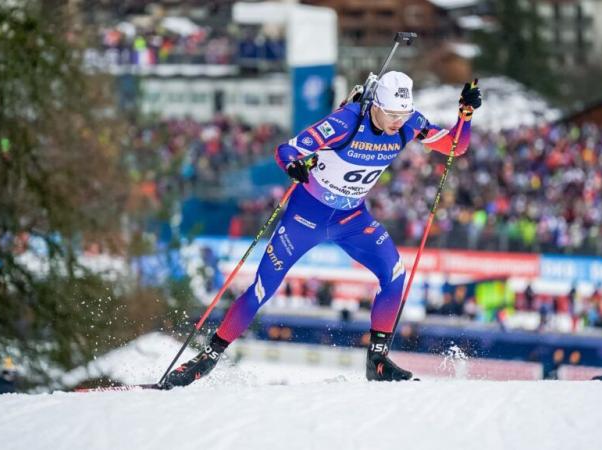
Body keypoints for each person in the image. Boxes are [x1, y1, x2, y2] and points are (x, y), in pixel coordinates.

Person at [165, 72, 481, 386]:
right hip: (306, 219)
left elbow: (456, 146)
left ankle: (378, 361)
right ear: (375, 106)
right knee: (262, 289)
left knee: (395, 273)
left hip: (351, 220)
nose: (399, 122)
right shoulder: (345, 122)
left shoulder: (410, 123)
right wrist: (294, 166)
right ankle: (206, 359)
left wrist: (464, 115)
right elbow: (286, 150)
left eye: (404, 114)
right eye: (393, 114)